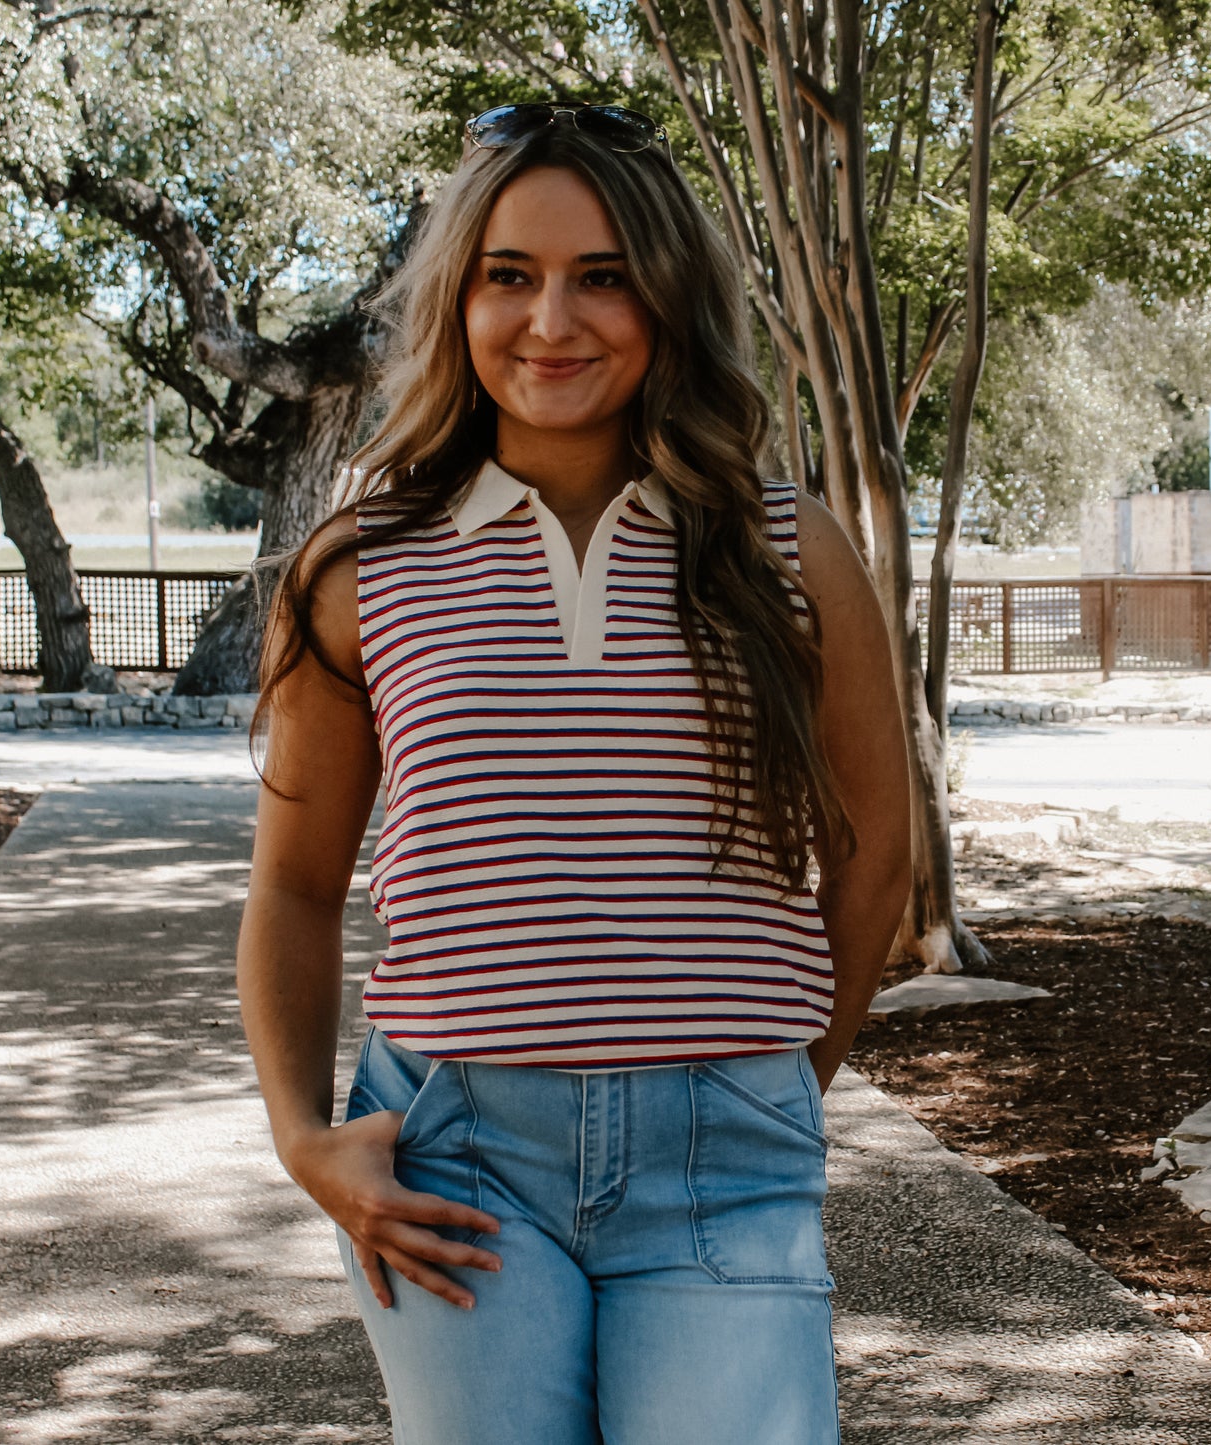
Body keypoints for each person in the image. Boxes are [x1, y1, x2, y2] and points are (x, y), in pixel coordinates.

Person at [236, 100, 911, 1445]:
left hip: (726, 1155)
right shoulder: (360, 567)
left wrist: (764, 1082)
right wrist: (303, 1140)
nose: (552, 322)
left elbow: (874, 851)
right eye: (509, 277)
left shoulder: (790, 547)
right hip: (454, 1152)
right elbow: (297, 891)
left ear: (668, 298)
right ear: (457, 301)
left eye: (602, 277)